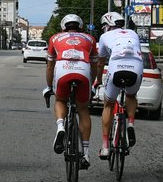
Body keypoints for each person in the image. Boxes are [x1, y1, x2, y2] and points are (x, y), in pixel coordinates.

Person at [44, 13, 99, 167]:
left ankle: (61, 126)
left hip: (63, 69)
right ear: (80, 27)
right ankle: (86, 154)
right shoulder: (90, 39)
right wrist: (92, 84)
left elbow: (49, 66)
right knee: (83, 109)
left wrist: (49, 86)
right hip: (83, 70)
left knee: (60, 100)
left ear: (63, 27)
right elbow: (94, 66)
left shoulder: (55, 38)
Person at [95, 11, 145, 160]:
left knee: (108, 104)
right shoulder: (133, 33)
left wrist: (98, 79)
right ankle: (130, 124)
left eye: (104, 25)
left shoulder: (104, 36)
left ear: (108, 25)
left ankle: (105, 146)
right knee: (131, 95)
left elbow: (100, 62)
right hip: (136, 68)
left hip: (116, 68)